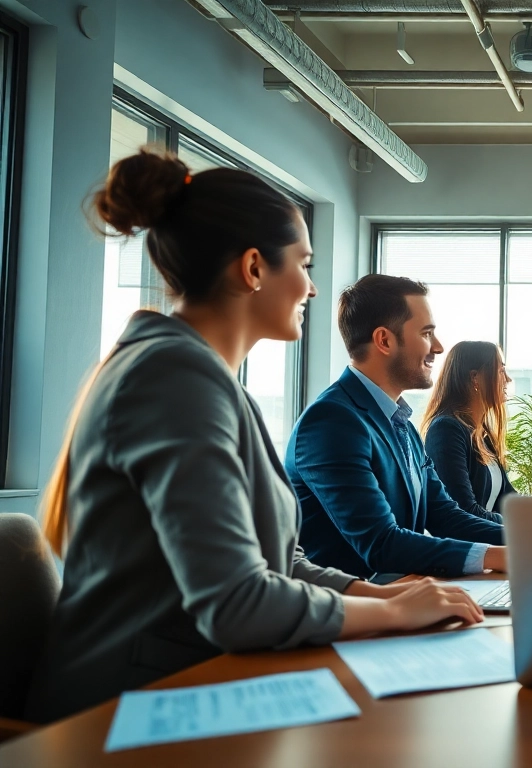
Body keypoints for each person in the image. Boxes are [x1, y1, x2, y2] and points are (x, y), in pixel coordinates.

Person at [26, 152, 482, 724]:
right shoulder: (173, 378)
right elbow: (237, 603)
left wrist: (384, 597)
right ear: (253, 269)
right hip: (125, 712)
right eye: (304, 264)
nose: (312, 289)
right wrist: (394, 617)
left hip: (195, 678)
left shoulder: (205, 378)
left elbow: (278, 564)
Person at [287, 276, 506, 581]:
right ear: (385, 340)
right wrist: (499, 555)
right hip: (354, 615)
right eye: (427, 333)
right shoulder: (331, 422)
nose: (439, 347)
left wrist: (530, 540)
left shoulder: (400, 423)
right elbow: (381, 544)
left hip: (400, 597)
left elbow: (444, 515)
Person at [422, 341, 516, 524]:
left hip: (492, 543)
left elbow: (509, 500)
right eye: (501, 371)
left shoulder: (483, 434)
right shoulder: (446, 430)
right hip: (471, 549)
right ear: (475, 378)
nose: (508, 379)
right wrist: (517, 527)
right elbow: (463, 510)